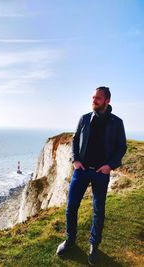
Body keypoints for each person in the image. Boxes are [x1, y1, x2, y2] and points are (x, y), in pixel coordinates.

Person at [56, 87, 127, 265]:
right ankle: (70, 241)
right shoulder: (85, 118)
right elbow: (74, 139)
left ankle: (94, 245)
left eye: (98, 98)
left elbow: (122, 147)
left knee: (98, 210)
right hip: (81, 170)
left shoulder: (117, 122)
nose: (94, 100)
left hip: (100, 173)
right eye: (93, 97)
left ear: (107, 101)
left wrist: (109, 166)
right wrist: (75, 160)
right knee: (71, 207)